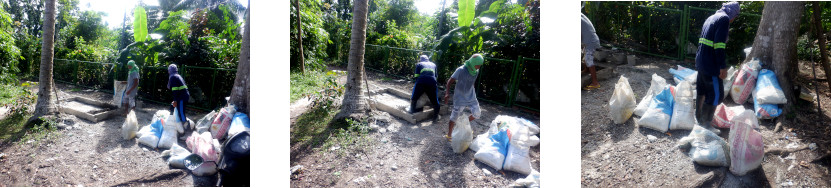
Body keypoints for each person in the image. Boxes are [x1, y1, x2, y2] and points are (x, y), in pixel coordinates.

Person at [695, 2, 739, 128]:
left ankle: (699, 119)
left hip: (701, 61)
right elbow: (719, 45)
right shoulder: (724, 19)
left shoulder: (712, 17)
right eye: (735, 16)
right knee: (715, 95)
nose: (733, 19)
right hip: (711, 64)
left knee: (702, 91)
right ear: (732, 12)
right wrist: (722, 66)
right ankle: (705, 124)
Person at [444, 54, 484, 141]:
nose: (479, 67)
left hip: (471, 96)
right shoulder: (461, 70)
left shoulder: (476, 71)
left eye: (480, 65)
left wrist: (472, 91)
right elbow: (450, 81)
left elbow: (472, 82)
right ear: (473, 63)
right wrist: (447, 93)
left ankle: (462, 125)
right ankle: (449, 134)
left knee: (477, 114)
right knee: (454, 116)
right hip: (460, 97)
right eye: (478, 65)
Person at [409, 55, 440, 120]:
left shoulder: (419, 64)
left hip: (421, 82)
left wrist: (419, 88)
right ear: (428, 59)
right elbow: (436, 76)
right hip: (432, 83)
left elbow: (416, 76)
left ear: (421, 59)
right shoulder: (433, 64)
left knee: (414, 97)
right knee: (435, 101)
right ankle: (435, 117)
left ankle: (412, 111)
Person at [581, 13, 601, 90]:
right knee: (585, 55)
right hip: (591, 39)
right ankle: (586, 70)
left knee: (588, 59)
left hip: (590, 41)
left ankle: (595, 83)